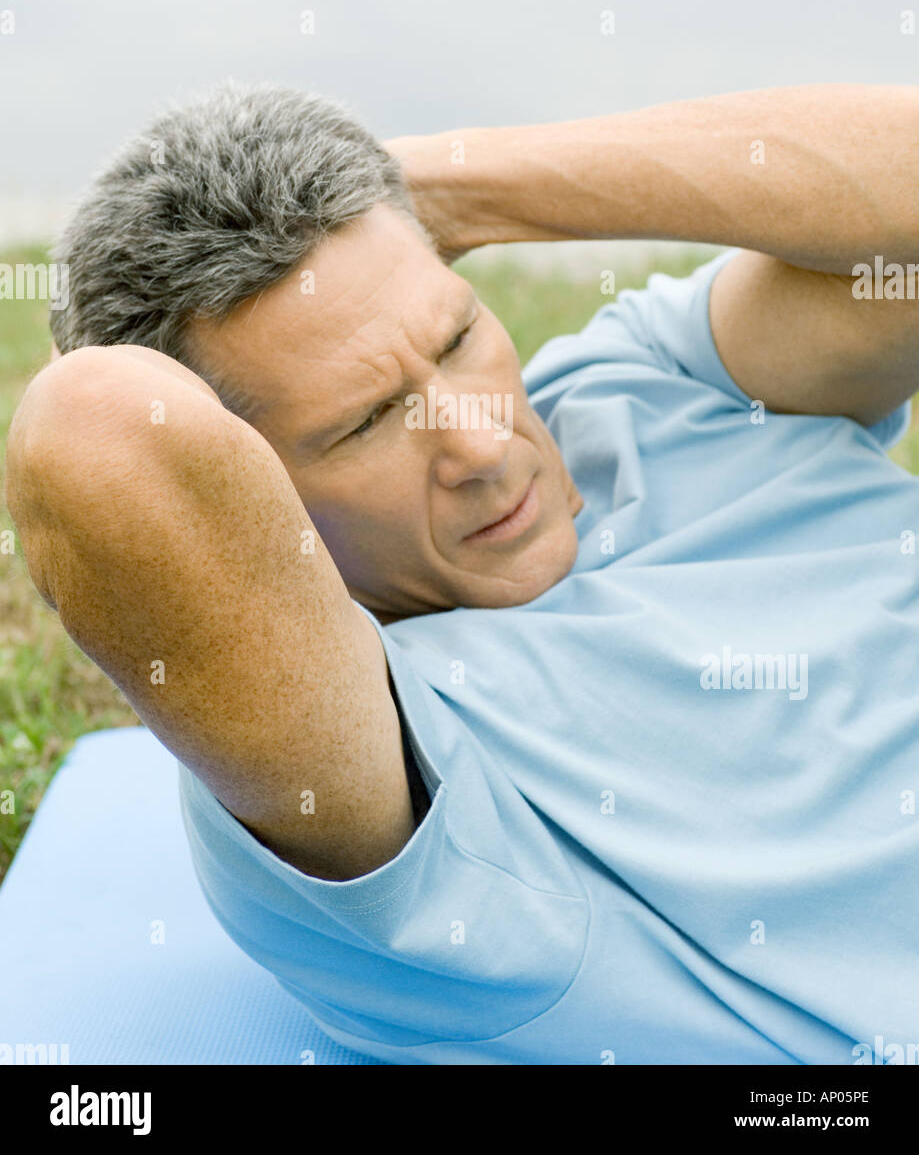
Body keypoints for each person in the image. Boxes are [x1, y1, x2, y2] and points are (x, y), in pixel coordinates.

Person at [6, 81, 919, 1065]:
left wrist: (439, 188)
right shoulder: (392, 774)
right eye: (367, 420)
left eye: (457, 339)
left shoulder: (649, 374)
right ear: (256, 485)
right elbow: (95, 432)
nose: (483, 444)